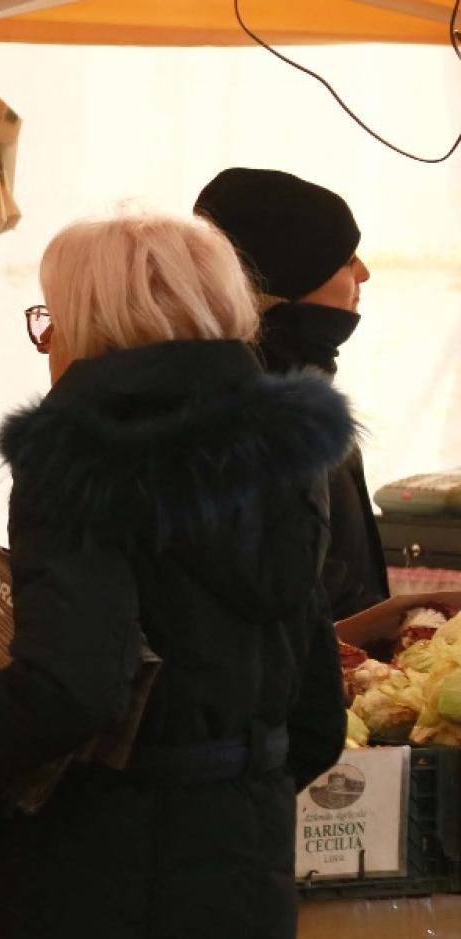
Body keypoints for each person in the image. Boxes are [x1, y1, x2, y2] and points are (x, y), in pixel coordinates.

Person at [0, 213, 350, 939]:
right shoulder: (291, 453)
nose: (49, 342)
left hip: (92, 898)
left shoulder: (81, 455)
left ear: (89, 322)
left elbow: (71, 685)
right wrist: (229, 793)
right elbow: (316, 716)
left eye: (50, 319)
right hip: (246, 900)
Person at [195, 167, 388, 619]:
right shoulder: (251, 407)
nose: (364, 272)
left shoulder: (299, 382)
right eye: (345, 260)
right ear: (288, 275)